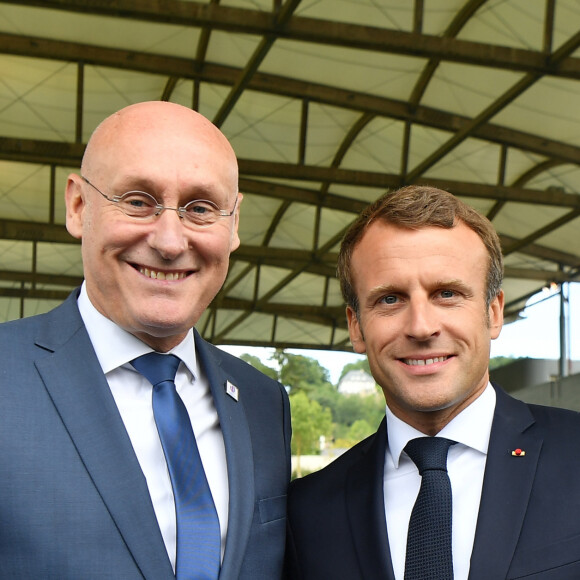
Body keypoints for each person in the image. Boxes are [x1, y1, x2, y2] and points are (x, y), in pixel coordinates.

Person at [0, 101, 291, 579]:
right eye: (138, 201)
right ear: (78, 206)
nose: (171, 242)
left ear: (234, 224)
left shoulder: (263, 403)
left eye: (200, 208)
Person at [284, 185, 580, 580]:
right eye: (390, 299)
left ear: (494, 313)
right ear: (356, 327)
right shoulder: (308, 510)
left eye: (446, 293)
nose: (421, 327)